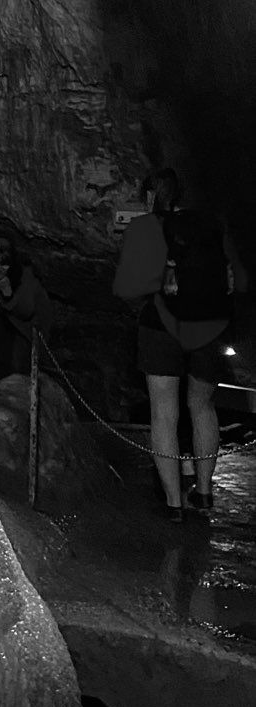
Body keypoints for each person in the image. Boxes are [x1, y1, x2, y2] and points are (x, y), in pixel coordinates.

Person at [114, 169, 247, 516]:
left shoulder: (144, 227)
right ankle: (203, 493)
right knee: (203, 407)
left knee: (164, 413)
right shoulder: (212, 226)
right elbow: (241, 281)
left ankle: (174, 503)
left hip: (162, 328)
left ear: (149, 196)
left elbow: (125, 288)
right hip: (211, 327)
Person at [0, 233, 54, 384]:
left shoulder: (25, 277)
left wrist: (7, 294)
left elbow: (26, 311)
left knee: (18, 365)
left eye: (4, 264)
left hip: (29, 328)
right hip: (5, 321)